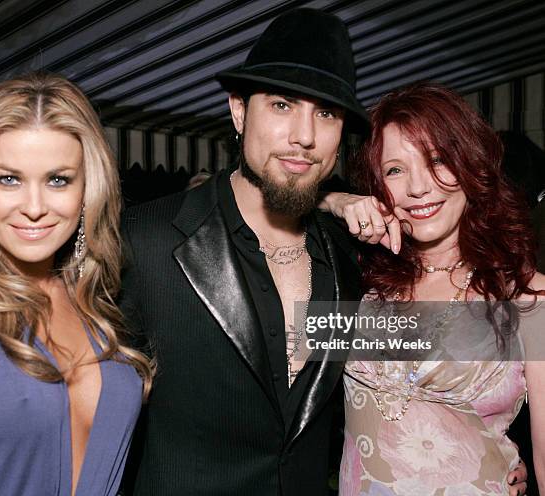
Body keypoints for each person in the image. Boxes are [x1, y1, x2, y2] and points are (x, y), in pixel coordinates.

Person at [119, 9, 528, 495]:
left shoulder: (356, 261)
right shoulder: (144, 241)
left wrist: (487, 452)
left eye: (326, 113)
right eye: (282, 105)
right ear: (238, 110)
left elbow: (431, 365)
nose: (305, 135)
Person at [0, 73, 152, 496]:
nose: (34, 208)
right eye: (8, 179)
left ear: (88, 188)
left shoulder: (94, 297)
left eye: (58, 180)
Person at [321, 82, 542, 495]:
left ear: (470, 165)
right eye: (395, 170)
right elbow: (260, 203)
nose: (418, 187)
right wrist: (334, 201)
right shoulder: (357, 278)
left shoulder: (529, 299)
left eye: (437, 160)